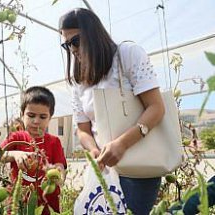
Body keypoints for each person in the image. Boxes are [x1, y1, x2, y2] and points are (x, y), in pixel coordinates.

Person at [59, 8, 165, 215]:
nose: (71, 49)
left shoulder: (127, 55)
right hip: (105, 168)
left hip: (138, 167)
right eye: (66, 44)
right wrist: (93, 151)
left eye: (75, 41)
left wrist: (122, 144)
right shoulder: (79, 81)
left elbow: (156, 107)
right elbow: (82, 129)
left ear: (92, 33)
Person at [1, 86, 67, 215]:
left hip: (47, 205)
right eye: (31, 115)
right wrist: (15, 154)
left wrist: (59, 175)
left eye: (43, 117)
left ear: (50, 118)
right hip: (18, 204)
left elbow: (60, 166)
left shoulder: (54, 141)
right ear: (22, 114)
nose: (36, 121)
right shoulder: (16, 137)